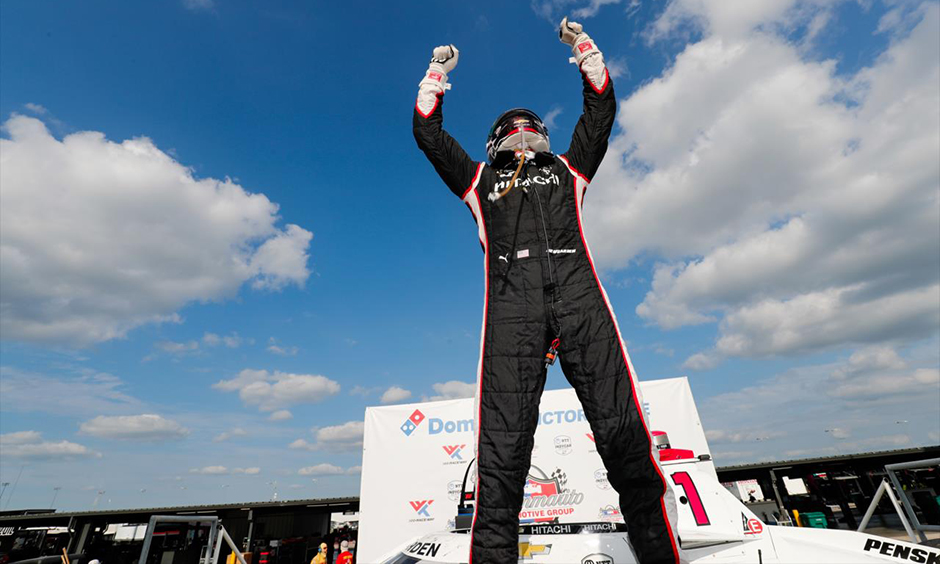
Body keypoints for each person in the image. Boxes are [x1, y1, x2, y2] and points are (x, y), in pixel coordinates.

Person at [413, 17, 683, 564]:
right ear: (495, 141)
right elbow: (428, 134)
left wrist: (585, 50)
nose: (519, 131)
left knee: (624, 437)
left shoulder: (568, 168)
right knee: (503, 455)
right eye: (510, 127)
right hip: (513, 312)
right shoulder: (480, 181)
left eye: (526, 124)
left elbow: (601, 113)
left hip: (582, 301)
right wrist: (436, 73)